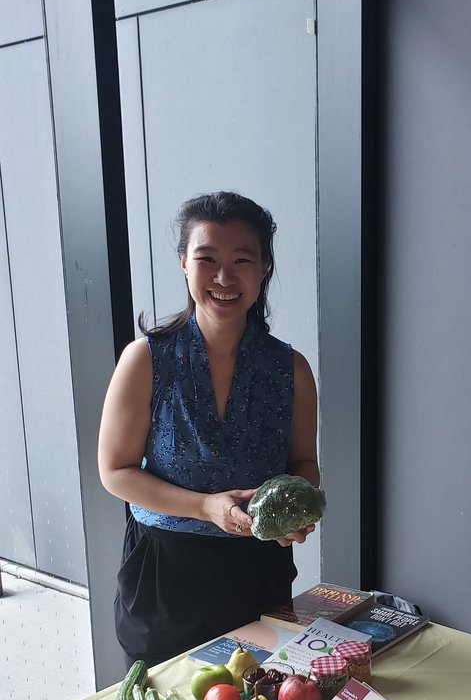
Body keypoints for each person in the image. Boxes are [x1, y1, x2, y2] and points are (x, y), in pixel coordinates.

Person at [98, 191, 319, 669]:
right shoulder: (146, 360)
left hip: (257, 573)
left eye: (242, 260)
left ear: (264, 269)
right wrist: (203, 507)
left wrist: (294, 514)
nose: (224, 277)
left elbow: (304, 463)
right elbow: (114, 471)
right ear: (184, 263)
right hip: (164, 578)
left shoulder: (291, 369)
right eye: (207, 259)